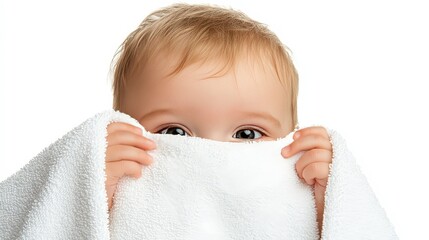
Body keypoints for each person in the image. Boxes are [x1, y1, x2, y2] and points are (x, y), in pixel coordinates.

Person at [104, 3, 332, 233]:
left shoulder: (295, 195)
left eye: (247, 134)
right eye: (174, 132)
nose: (213, 152)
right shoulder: (111, 190)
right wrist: (97, 194)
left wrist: (328, 208)